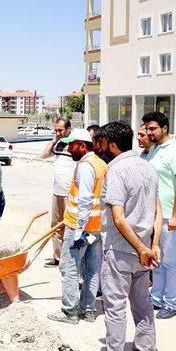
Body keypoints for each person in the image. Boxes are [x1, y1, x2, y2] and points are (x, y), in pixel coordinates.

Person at [99, 121, 161, 351]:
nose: (101, 147)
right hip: (143, 250)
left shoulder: (116, 171)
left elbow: (119, 219)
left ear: (113, 145)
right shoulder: (147, 167)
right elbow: (158, 211)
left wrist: (143, 249)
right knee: (142, 304)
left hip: (121, 249)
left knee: (115, 307)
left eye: (104, 142)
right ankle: (146, 350)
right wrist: (151, 246)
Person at [47, 129, 108, 324]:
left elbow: (85, 199)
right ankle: (87, 310)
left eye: (71, 144)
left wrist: (79, 231)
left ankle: (69, 312)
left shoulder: (85, 166)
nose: (67, 148)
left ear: (82, 146)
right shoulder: (100, 163)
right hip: (96, 229)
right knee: (91, 269)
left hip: (80, 228)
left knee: (69, 268)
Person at [143, 111, 176, 319]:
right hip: (154, 215)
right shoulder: (154, 149)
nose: (149, 132)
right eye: (147, 129)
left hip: (170, 216)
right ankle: (157, 297)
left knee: (171, 260)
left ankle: (172, 301)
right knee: (157, 259)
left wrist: (175, 215)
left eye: (153, 128)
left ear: (164, 128)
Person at [41, 117, 77, 267]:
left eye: (61, 130)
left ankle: (70, 260)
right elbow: (44, 155)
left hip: (70, 193)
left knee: (70, 226)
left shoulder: (76, 144)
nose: (58, 133)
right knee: (56, 226)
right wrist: (54, 139)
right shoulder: (59, 143)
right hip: (57, 191)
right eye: (56, 130)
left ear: (69, 129)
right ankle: (57, 257)